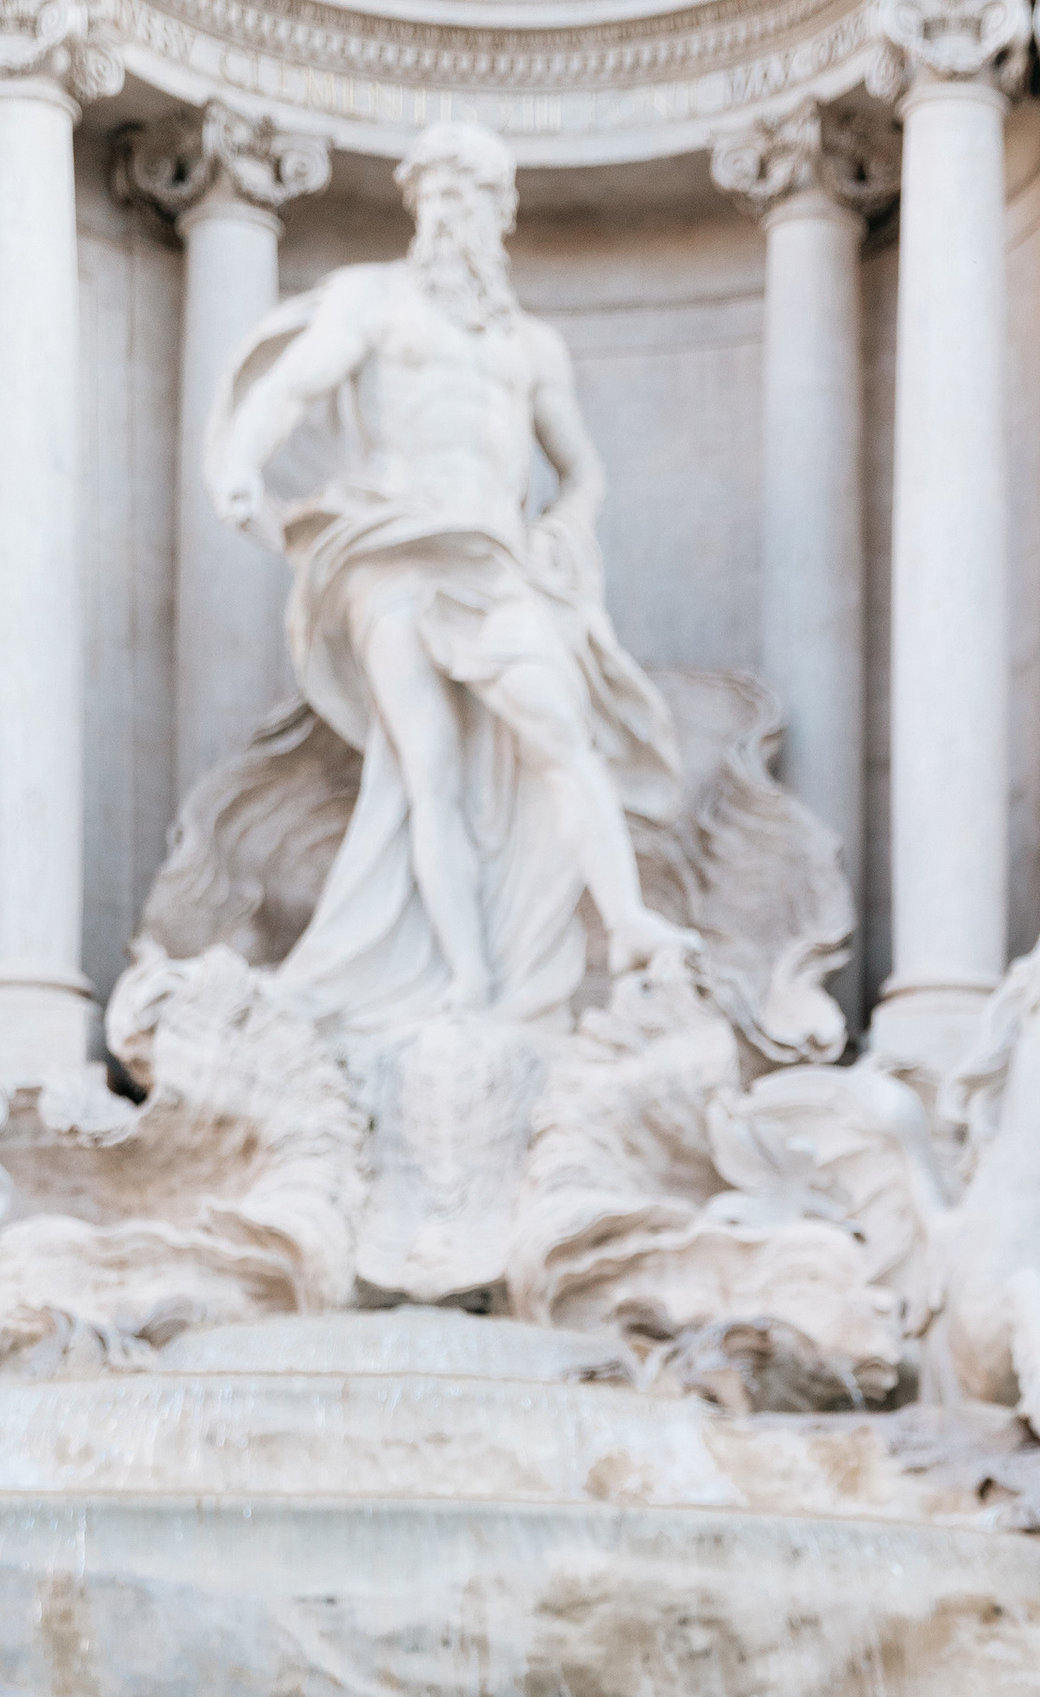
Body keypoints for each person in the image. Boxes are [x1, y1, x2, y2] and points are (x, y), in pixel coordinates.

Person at [206, 119, 689, 1039]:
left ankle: (625, 922)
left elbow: (581, 469)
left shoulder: (532, 346)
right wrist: (241, 459)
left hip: (492, 558)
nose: (449, 215)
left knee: (561, 731)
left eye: (468, 197)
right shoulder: (372, 303)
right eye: (436, 196)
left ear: (500, 213)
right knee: (425, 770)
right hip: (391, 549)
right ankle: (467, 977)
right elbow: (293, 387)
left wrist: (567, 523)